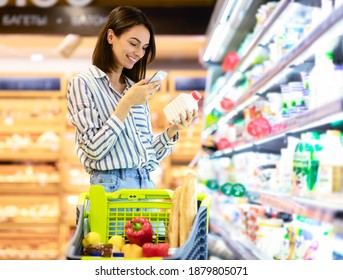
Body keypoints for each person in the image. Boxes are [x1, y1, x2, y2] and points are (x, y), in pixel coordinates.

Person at [67, 6, 198, 192]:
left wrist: (173, 130)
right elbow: (93, 149)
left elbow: (148, 158)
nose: (139, 53)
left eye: (144, 47)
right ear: (111, 37)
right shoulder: (82, 84)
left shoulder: (134, 88)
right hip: (110, 188)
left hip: (145, 185)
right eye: (133, 43)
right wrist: (126, 103)